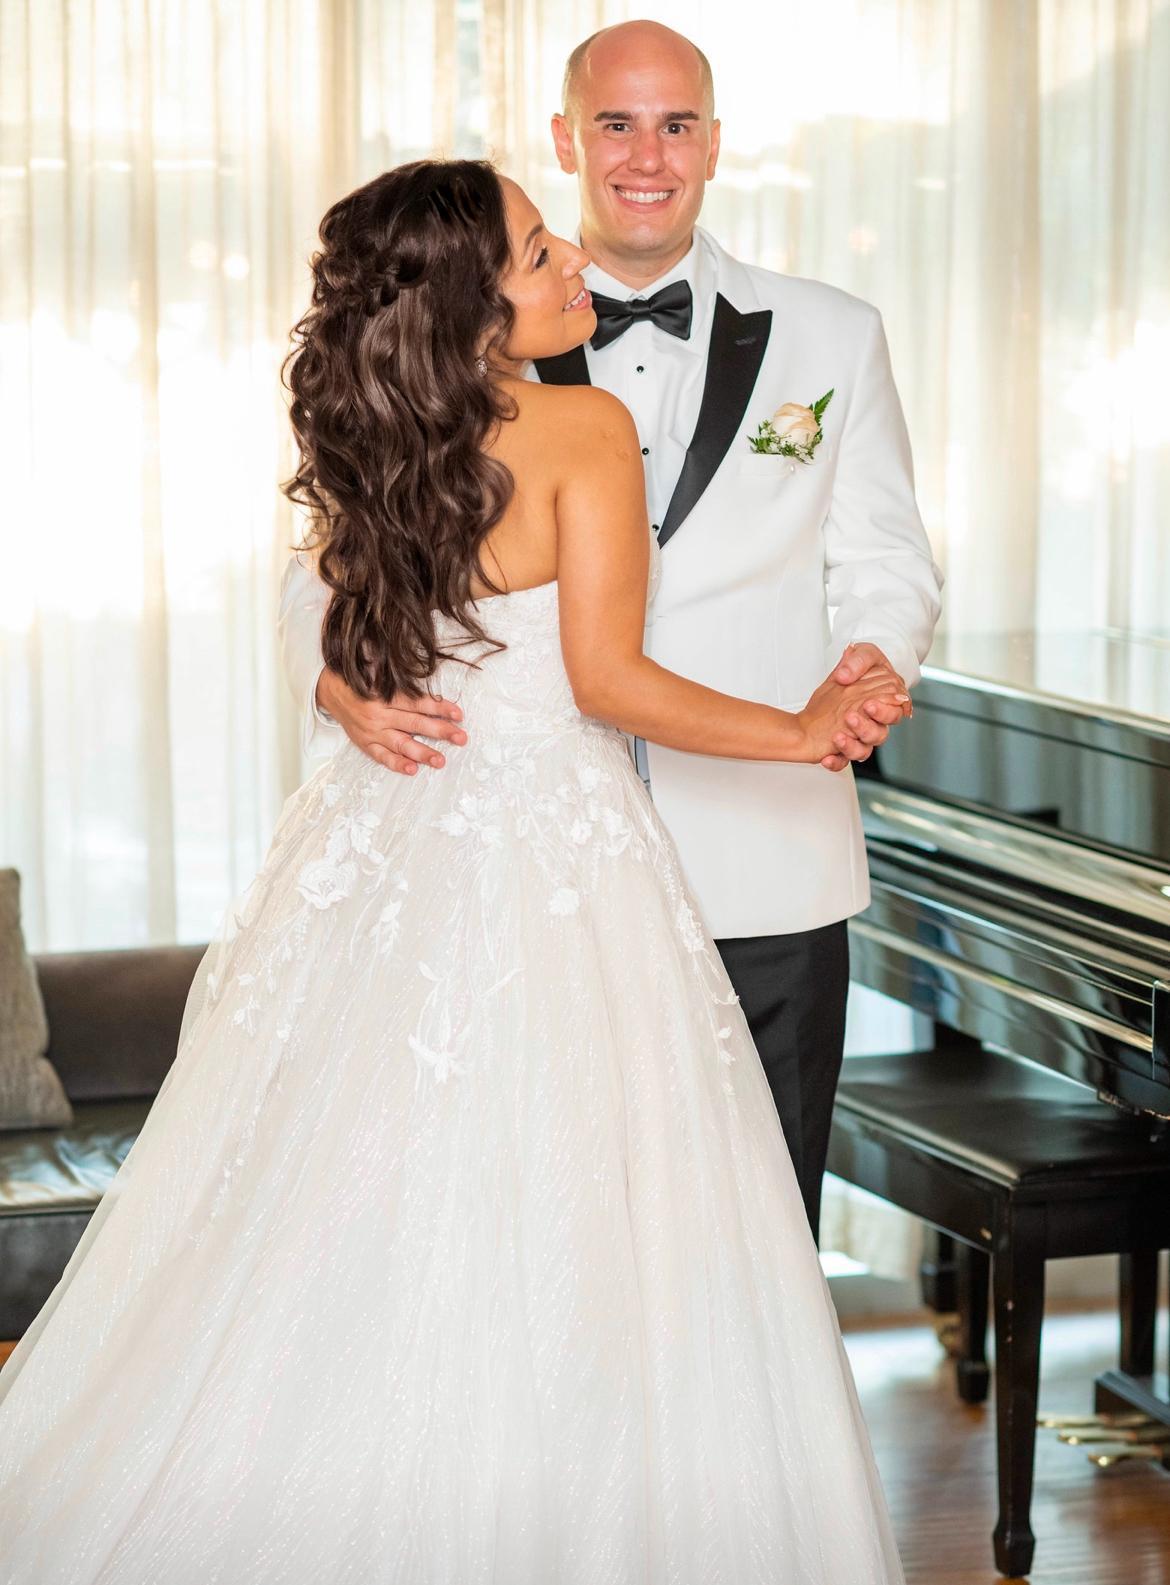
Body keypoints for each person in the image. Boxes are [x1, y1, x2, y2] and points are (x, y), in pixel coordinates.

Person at [0, 158, 908, 1583]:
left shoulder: (380, 430)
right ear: (478, 304)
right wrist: (797, 733)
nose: (570, 266)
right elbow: (608, 680)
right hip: (555, 860)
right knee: (580, 1221)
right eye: (539, 254)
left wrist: (342, 686)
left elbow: (341, 615)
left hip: (384, 849)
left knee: (348, 1207)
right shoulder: (583, 427)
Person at [279, 20, 943, 1247]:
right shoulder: (471, 325)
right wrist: (335, 683)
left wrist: (872, 665)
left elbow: (889, 559)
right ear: (566, 137)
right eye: (617, 124)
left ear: (716, 142)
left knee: (760, 1248)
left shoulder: (833, 333)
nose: (649, 155)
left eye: (677, 124)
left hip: (766, 861)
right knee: (548, 1241)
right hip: (527, 885)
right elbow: (327, 563)